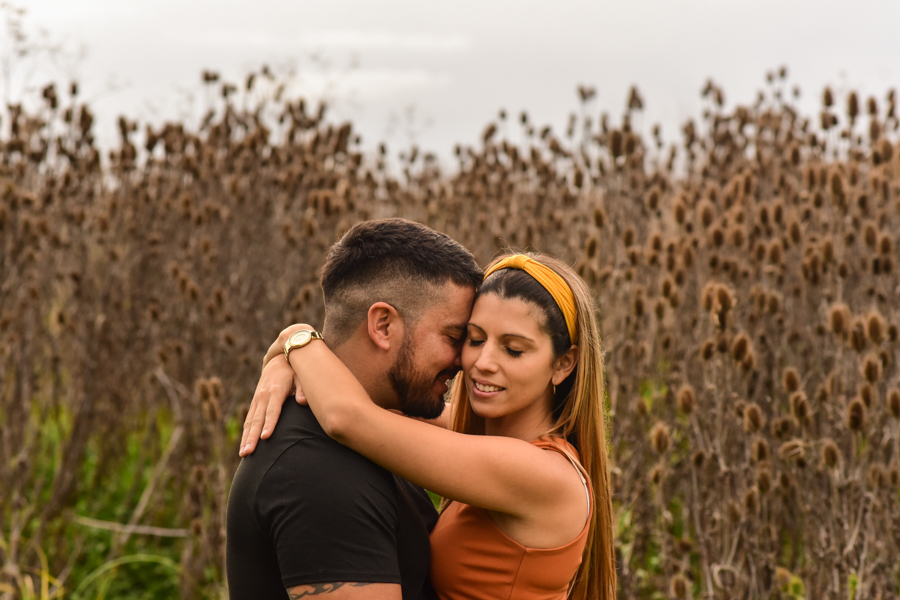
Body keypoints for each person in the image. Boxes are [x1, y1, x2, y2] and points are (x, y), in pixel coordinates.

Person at [245, 252, 617, 600]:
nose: (483, 362)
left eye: (514, 349)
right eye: (473, 339)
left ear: (563, 365)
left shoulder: (541, 474)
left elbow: (349, 418)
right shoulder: (484, 435)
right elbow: (386, 408)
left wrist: (296, 339)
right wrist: (285, 364)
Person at [226, 218, 484, 600]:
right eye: (453, 336)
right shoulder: (316, 472)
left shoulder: (379, 430)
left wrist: (295, 342)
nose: (463, 360)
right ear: (383, 326)